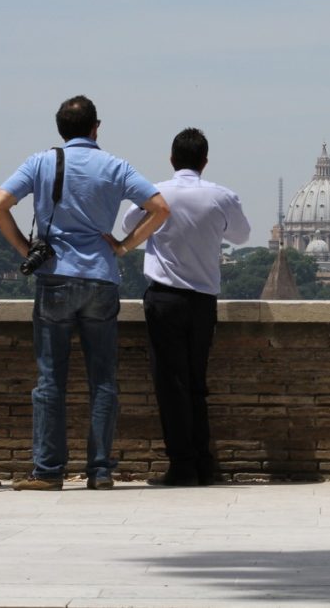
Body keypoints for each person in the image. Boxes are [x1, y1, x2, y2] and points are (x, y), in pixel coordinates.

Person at [0, 95, 169, 491]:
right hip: (101, 277)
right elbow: (160, 208)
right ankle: (100, 470)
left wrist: (25, 249)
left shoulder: (40, 162)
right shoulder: (116, 166)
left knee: (50, 379)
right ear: (96, 127)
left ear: (60, 129)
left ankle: (48, 471)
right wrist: (122, 246)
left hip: (54, 276)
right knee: (103, 379)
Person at [116, 128, 250, 487]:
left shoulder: (154, 194)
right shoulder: (221, 196)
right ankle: (202, 462)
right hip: (204, 301)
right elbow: (242, 236)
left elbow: (128, 226)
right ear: (205, 162)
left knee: (170, 385)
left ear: (172, 160)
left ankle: (183, 465)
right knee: (196, 382)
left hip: (164, 299)